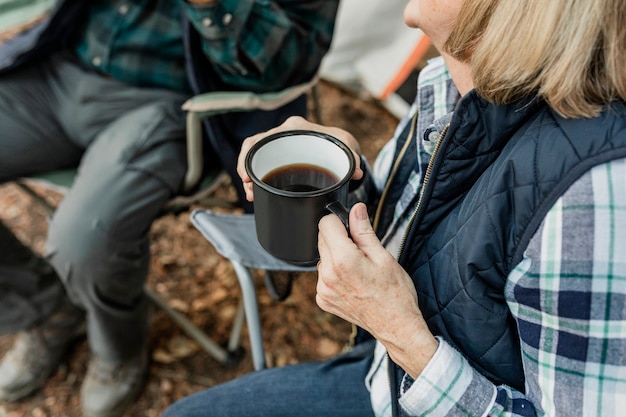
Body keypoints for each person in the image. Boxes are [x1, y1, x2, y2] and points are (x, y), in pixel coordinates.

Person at [160, 0, 626, 416]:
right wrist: (345, 179)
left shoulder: (594, 199)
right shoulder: (455, 78)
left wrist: (400, 333)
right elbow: (425, 228)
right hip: (385, 371)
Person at [0, 1, 339, 416]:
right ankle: (43, 308)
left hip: (169, 101)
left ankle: (117, 346)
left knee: (83, 241)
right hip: (61, 66)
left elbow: (289, 65)